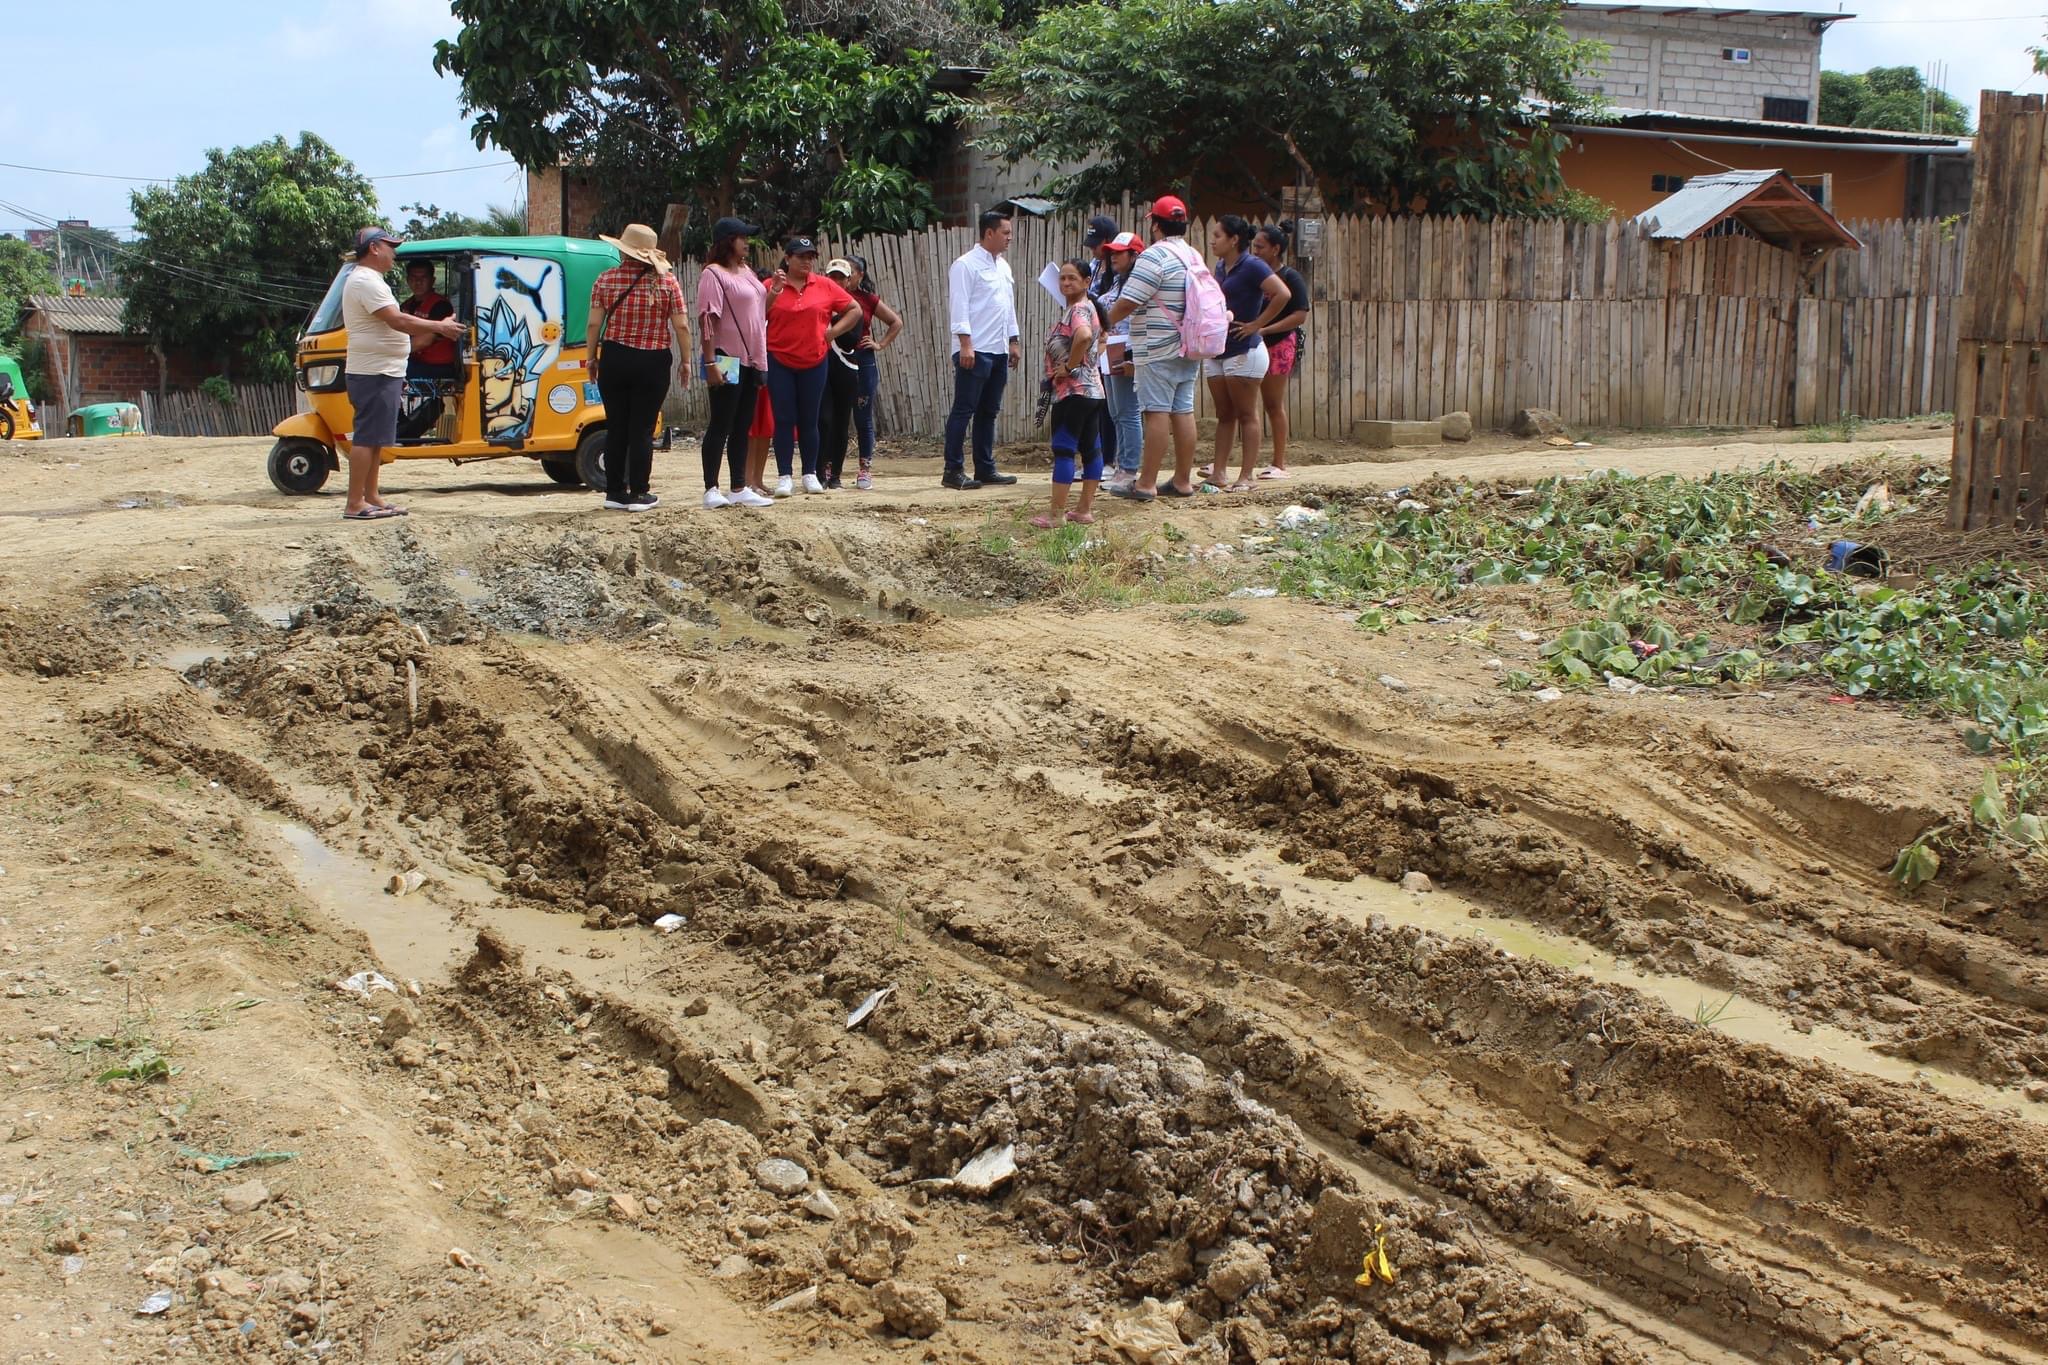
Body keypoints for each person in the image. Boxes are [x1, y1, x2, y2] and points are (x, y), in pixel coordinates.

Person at [338, 226, 466, 520]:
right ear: (374, 248)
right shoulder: (365, 281)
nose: (394, 253)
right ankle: (355, 503)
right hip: (374, 371)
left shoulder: (368, 279)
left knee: (376, 438)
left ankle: (371, 496)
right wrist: (439, 326)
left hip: (383, 369)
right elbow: (397, 321)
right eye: (390, 247)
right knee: (366, 437)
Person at [590, 222, 691, 512]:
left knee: (616, 426)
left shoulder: (605, 279)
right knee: (642, 429)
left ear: (624, 250)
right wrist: (685, 361)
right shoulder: (667, 282)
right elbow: (682, 326)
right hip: (652, 360)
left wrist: (592, 357)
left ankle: (614, 492)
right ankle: (639, 493)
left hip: (615, 357)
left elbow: (594, 323)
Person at [1107, 195, 1203, 501]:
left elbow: (1129, 300)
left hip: (1157, 347)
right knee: (1183, 410)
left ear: (1156, 225)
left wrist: (1102, 323)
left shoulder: (1154, 256)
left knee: (1156, 412)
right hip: (1189, 345)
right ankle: (1182, 481)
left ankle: (1146, 483)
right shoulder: (1193, 255)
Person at [765, 236, 860, 495]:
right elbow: (757, 315)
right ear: (787, 258)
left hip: (814, 361)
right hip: (779, 360)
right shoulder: (772, 284)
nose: (806, 261)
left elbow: (854, 310)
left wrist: (833, 333)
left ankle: (810, 473)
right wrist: (774, 292)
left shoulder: (825, 285)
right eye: (801, 256)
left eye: (810, 257)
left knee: (811, 419)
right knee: (784, 418)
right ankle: (784, 475)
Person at [1201, 213, 1288, 492]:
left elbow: (1283, 294)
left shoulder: (1252, 265)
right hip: (1219, 349)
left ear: (1234, 240)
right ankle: (1219, 473)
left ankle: (1246, 476)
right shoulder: (1221, 266)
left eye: (1218, 236)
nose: (1212, 241)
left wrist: (1257, 325)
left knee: (1247, 414)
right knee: (1225, 414)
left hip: (1245, 350)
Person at [696, 216, 775, 509]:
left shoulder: (747, 271)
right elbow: (707, 319)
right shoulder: (713, 274)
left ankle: (739, 486)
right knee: (721, 423)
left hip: (752, 358)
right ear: (728, 241)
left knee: (743, 425)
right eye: (743, 238)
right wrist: (709, 363)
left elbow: (757, 311)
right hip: (725, 357)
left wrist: (774, 293)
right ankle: (711, 488)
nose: (747, 243)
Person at [942, 210, 1022, 490]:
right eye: (1005, 232)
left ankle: (985, 468)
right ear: (989, 233)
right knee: (964, 410)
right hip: (975, 349)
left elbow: (1008, 306)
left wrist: (1013, 340)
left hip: (998, 349)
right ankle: (952, 470)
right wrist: (965, 344)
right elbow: (959, 305)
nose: (1010, 238)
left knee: (989, 411)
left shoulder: (1003, 267)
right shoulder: (965, 265)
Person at [1033, 259, 1106, 529]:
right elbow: (1099, 339)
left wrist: (1069, 366)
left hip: (1074, 392)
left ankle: (1056, 515)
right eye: (1062, 278)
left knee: (1064, 449)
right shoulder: (1089, 308)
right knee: (1091, 449)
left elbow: (1084, 336)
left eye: (1072, 278)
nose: (1065, 283)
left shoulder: (1078, 310)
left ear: (1086, 282)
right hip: (1093, 391)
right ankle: (1084, 510)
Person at [822, 255, 902, 490]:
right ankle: (828, 466)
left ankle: (865, 468)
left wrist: (880, 344)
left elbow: (896, 322)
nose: (842, 279)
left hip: (862, 360)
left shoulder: (867, 300)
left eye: (850, 272)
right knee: (831, 416)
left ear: (858, 276)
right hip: (831, 360)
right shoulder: (826, 298)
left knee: (862, 416)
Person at [1250, 223, 1310, 480]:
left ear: (1275, 249)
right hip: (1252, 343)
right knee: (1244, 404)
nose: (1255, 251)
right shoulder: (1254, 274)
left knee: (1273, 404)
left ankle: (1279, 463)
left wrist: (1265, 329)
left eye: (1260, 247)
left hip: (1279, 344)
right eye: (1254, 246)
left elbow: (1300, 315)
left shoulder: (1290, 277)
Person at [1097, 231, 1144, 494]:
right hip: (1110, 349)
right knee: (1116, 412)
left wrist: (1133, 357)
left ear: (1134, 255)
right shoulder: (1117, 280)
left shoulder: (1139, 282)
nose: (1113, 257)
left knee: (1128, 412)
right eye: (1111, 252)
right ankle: (1121, 467)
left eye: (1119, 252)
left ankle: (1128, 468)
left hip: (1127, 349)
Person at [400, 261, 459, 380]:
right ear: (407, 280)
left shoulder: (441, 306)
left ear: (432, 280)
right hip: (415, 361)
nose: (418, 282)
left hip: (437, 366)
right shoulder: (406, 305)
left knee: (387, 370)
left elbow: (424, 341)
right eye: (414, 278)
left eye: (423, 278)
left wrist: (391, 352)